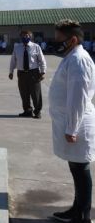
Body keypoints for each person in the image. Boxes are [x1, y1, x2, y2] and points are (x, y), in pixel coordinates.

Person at [49, 20, 95, 223]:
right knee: (76, 169)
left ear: (73, 39)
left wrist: (72, 128)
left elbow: (78, 98)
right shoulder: (72, 57)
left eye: (60, 40)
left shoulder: (78, 60)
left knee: (81, 170)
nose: (56, 43)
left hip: (77, 124)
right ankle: (77, 209)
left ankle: (83, 215)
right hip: (70, 122)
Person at [9, 30, 47, 119]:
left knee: (36, 93)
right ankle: (27, 111)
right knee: (24, 93)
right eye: (22, 36)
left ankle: (37, 111)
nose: (24, 37)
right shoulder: (17, 47)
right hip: (21, 73)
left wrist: (43, 72)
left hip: (33, 73)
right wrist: (11, 72)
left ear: (30, 37)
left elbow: (42, 60)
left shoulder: (36, 47)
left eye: (26, 35)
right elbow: (13, 60)